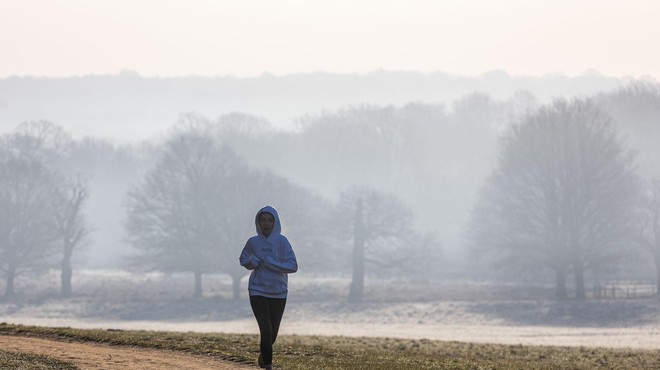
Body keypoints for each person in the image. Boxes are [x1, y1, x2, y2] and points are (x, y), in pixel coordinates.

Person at [239, 205, 298, 370]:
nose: (266, 223)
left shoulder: (282, 242)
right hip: (257, 291)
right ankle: (269, 366)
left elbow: (293, 266)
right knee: (266, 329)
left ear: (275, 222)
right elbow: (243, 259)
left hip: (279, 293)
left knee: (272, 333)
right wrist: (252, 262)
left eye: (270, 220)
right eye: (263, 220)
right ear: (258, 221)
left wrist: (272, 263)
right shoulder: (253, 242)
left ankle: (264, 354)